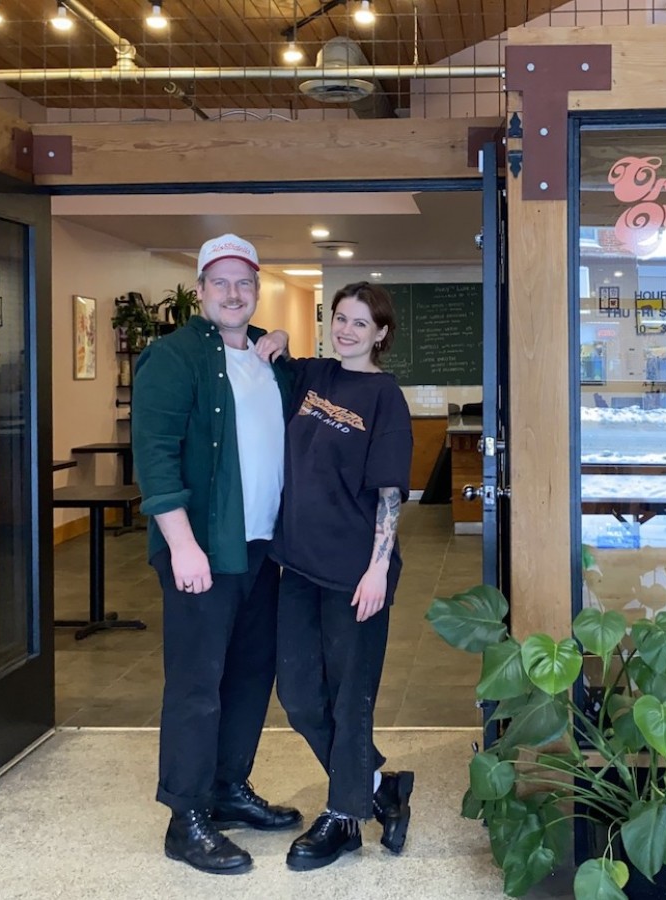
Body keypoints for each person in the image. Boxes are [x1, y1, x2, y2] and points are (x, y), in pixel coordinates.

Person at [132, 233, 302, 876]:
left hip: (262, 550)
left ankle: (229, 789)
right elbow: (154, 459)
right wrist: (182, 546)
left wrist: (279, 348)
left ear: (256, 290)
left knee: (251, 676)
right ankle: (187, 816)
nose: (234, 294)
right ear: (199, 290)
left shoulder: (266, 360)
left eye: (245, 283)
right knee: (198, 685)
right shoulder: (173, 358)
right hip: (203, 550)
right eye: (220, 282)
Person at [262, 281, 415, 871]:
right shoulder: (312, 377)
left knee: (350, 698)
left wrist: (379, 568)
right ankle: (379, 785)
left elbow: (389, 495)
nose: (346, 330)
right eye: (339, 318)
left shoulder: (385, 398)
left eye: (360, 323)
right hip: (298, 564)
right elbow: (267, 350)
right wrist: (271, 334)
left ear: (380, 334)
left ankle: (343, 817)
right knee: (300, 694)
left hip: (356, 573)